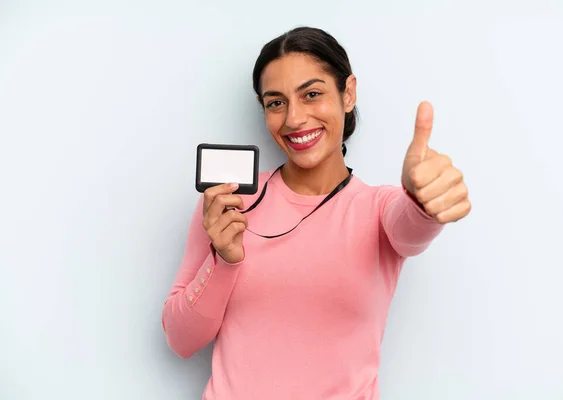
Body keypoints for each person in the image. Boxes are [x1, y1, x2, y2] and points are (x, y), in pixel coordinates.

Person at [162, 26, 471, 399]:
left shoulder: (379, 208)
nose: (294, 119)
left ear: (348, 93)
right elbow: (181, 340)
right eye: (276, 102)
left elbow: (410, 229)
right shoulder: (228, 203)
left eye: (311, 94)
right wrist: (223, 260)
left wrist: (424, 202)